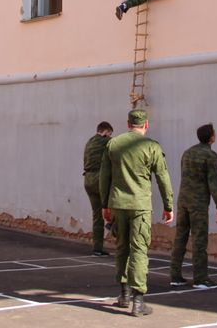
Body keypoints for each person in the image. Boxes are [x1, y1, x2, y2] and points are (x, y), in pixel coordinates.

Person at [99, 109, 174, 317]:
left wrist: (104, 204)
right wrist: (169, 205)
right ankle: (138, 300)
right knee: (139, 250)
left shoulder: (113, 144)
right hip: (140, 205)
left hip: (117, 204)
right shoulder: (151, 147)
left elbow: (104, 177)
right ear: (146, 125)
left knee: (122, 247)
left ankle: (124, 294)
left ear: (128, 123)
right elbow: (162, 177)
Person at [170, 123, 217, 289]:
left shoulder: (187, 153)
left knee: (180, 237)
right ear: (211, 137)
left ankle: (175, 275)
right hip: (198, 202)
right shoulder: (210, 155)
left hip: (183, 199)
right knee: (199, 239)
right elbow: (213, 182)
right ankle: (200, 278)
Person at [83, 121, 114, 256]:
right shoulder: (105, 142)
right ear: (106, 132)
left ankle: (97, 248)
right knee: (115, 204)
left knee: (97, 215)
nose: (110, 136)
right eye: (109, 134)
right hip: (99, 179)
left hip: (88, 180)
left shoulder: (89, 142)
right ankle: (113, 225)